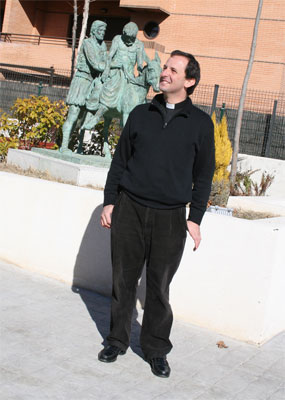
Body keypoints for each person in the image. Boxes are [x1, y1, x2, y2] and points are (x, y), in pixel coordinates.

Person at [99, 50, 215, 378]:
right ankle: (116, 340)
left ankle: (155, 349)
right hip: (130, 209)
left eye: (173, 70)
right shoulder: (140, 113)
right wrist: (110, 201)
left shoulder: (201, 125)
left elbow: (204, 175)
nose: (164, 73)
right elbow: (120, 161)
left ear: (189, 81)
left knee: (159, 287)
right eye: (165, 67)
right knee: (123, 279)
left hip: (170, 217)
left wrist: (195, 219)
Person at [82, 22, 145, 130]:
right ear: (123, 34)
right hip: (115, 72)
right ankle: (95, 114)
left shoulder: (139, 45)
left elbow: (140, 63)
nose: (129, 41)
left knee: (138, 98)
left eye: (132, 38)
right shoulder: (117, 39)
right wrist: (106, 70)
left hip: (129, 75)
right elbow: (110, 56)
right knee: (106, 89)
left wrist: (141, 74)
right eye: (127, 38)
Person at [60, 20, 107, 153]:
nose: (103, 33)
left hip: (92, 82)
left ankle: (71, 145)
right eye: (100, 30)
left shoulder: (102, 45)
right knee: (73, 115)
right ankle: (63, 146)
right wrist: (109, 66)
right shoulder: (88, 43)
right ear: (94, 30)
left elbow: (104, 61)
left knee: (81, 120)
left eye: (104, 31)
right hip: (82, 81)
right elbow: (96, 64)